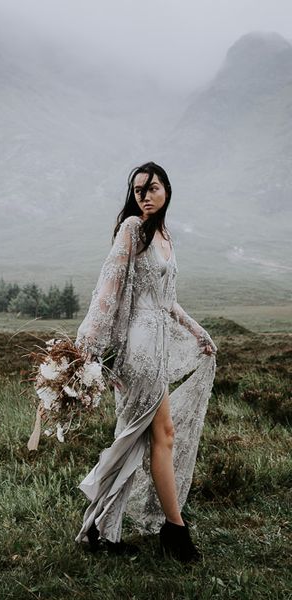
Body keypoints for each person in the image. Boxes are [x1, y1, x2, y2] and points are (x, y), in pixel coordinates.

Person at [73, 161, 217, 563]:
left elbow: (166, 300)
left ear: (166, 189)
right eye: (138, 190)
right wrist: (84, 346)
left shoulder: (165, 236)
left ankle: (105, 530)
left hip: (159, 345)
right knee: (159, 434)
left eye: (151, 188)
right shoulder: (132, 229)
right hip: (139, 349)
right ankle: (174, 529)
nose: (145, 195)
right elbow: (109, 288)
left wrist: (197, 330)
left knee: (145, 438)